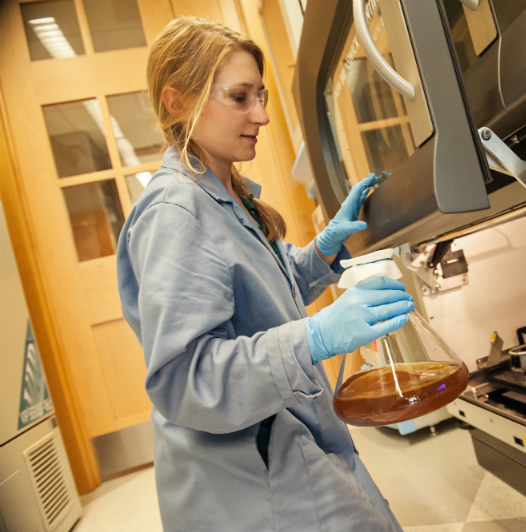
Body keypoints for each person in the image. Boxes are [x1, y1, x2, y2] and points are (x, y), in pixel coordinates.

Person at [116, 17, 412, 532]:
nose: (262, 115)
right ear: (177, 101)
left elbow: (256, 300)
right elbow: (188, 380)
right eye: (240, 97)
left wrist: (321, 253)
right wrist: (315, 338)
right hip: (253, 476)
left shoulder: (227, 192)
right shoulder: (174, 212)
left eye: (263, 96)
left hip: (287, 437)